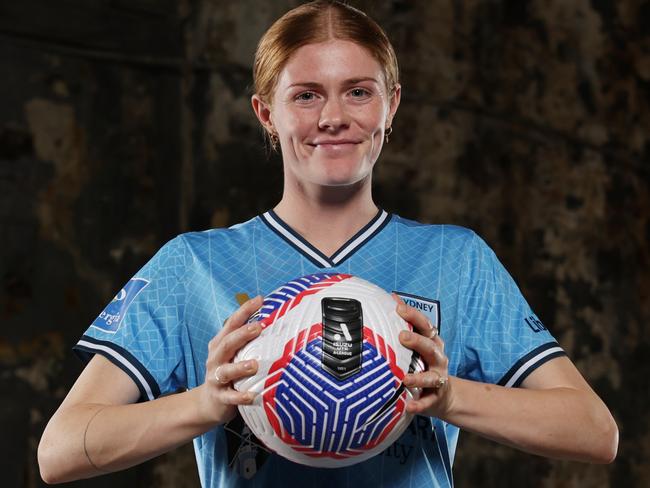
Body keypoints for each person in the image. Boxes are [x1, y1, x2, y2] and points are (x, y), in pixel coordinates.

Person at [38, 1, 618, 487]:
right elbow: (60, 450)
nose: (335, 117)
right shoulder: (196, 264)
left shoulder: (455, 259)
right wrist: (205, 404)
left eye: (359, 92)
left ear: (392, 105)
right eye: (307, 95)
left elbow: (594, 431)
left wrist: (448, 396)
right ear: (267, 113)